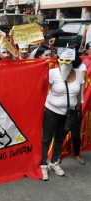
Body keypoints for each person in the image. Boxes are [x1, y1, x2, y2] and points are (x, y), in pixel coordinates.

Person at [40, 47, 84, 181]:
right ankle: (42, 164)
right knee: (46, 139)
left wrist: (76, 113)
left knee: (59, 138)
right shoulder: (53, 73)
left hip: (68, 114)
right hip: (51, 111)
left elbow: (79, 97)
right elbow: (40, 90)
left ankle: (54, 162)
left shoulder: (79, 74)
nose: (65, 63)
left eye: (68, 60)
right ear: (58, 60)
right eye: (62, 60)